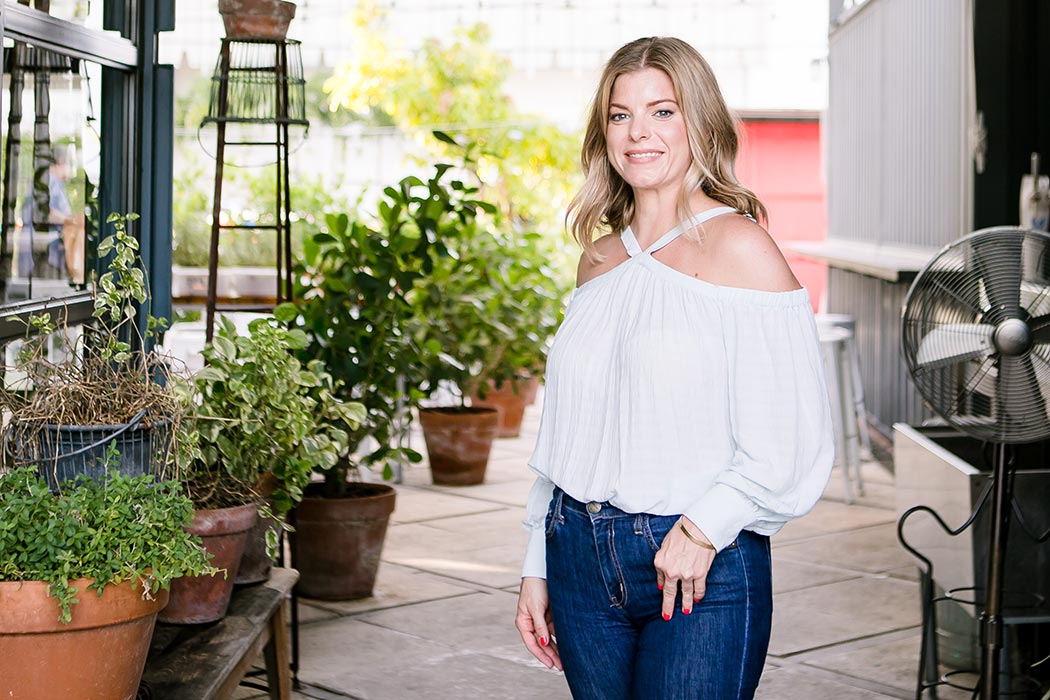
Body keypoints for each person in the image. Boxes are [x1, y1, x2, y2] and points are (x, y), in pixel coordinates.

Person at [514, 37, 834, 700]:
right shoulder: (598, 260)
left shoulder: (741, 248)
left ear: (701, 122)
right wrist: (537, 561)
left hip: (696, 558)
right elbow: (571, 429)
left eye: (663, 111)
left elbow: (791, 436)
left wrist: (705, 527)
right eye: (620, 114)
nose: (638, 133)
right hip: (577, 555)